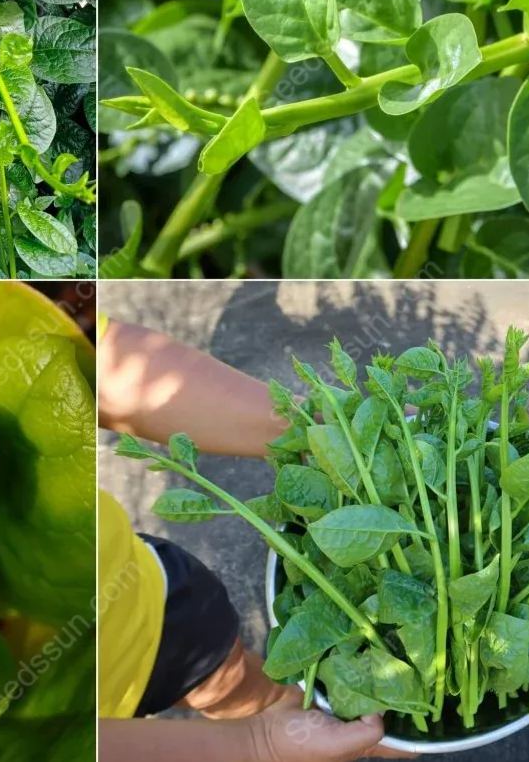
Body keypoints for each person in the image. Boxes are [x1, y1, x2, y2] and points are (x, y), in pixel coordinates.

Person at [98, 318, 411, 762]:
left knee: (227, 679)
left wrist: (320, 430)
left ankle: (264, 702)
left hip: (144, 593)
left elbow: (110, 363)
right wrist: (257, 746)